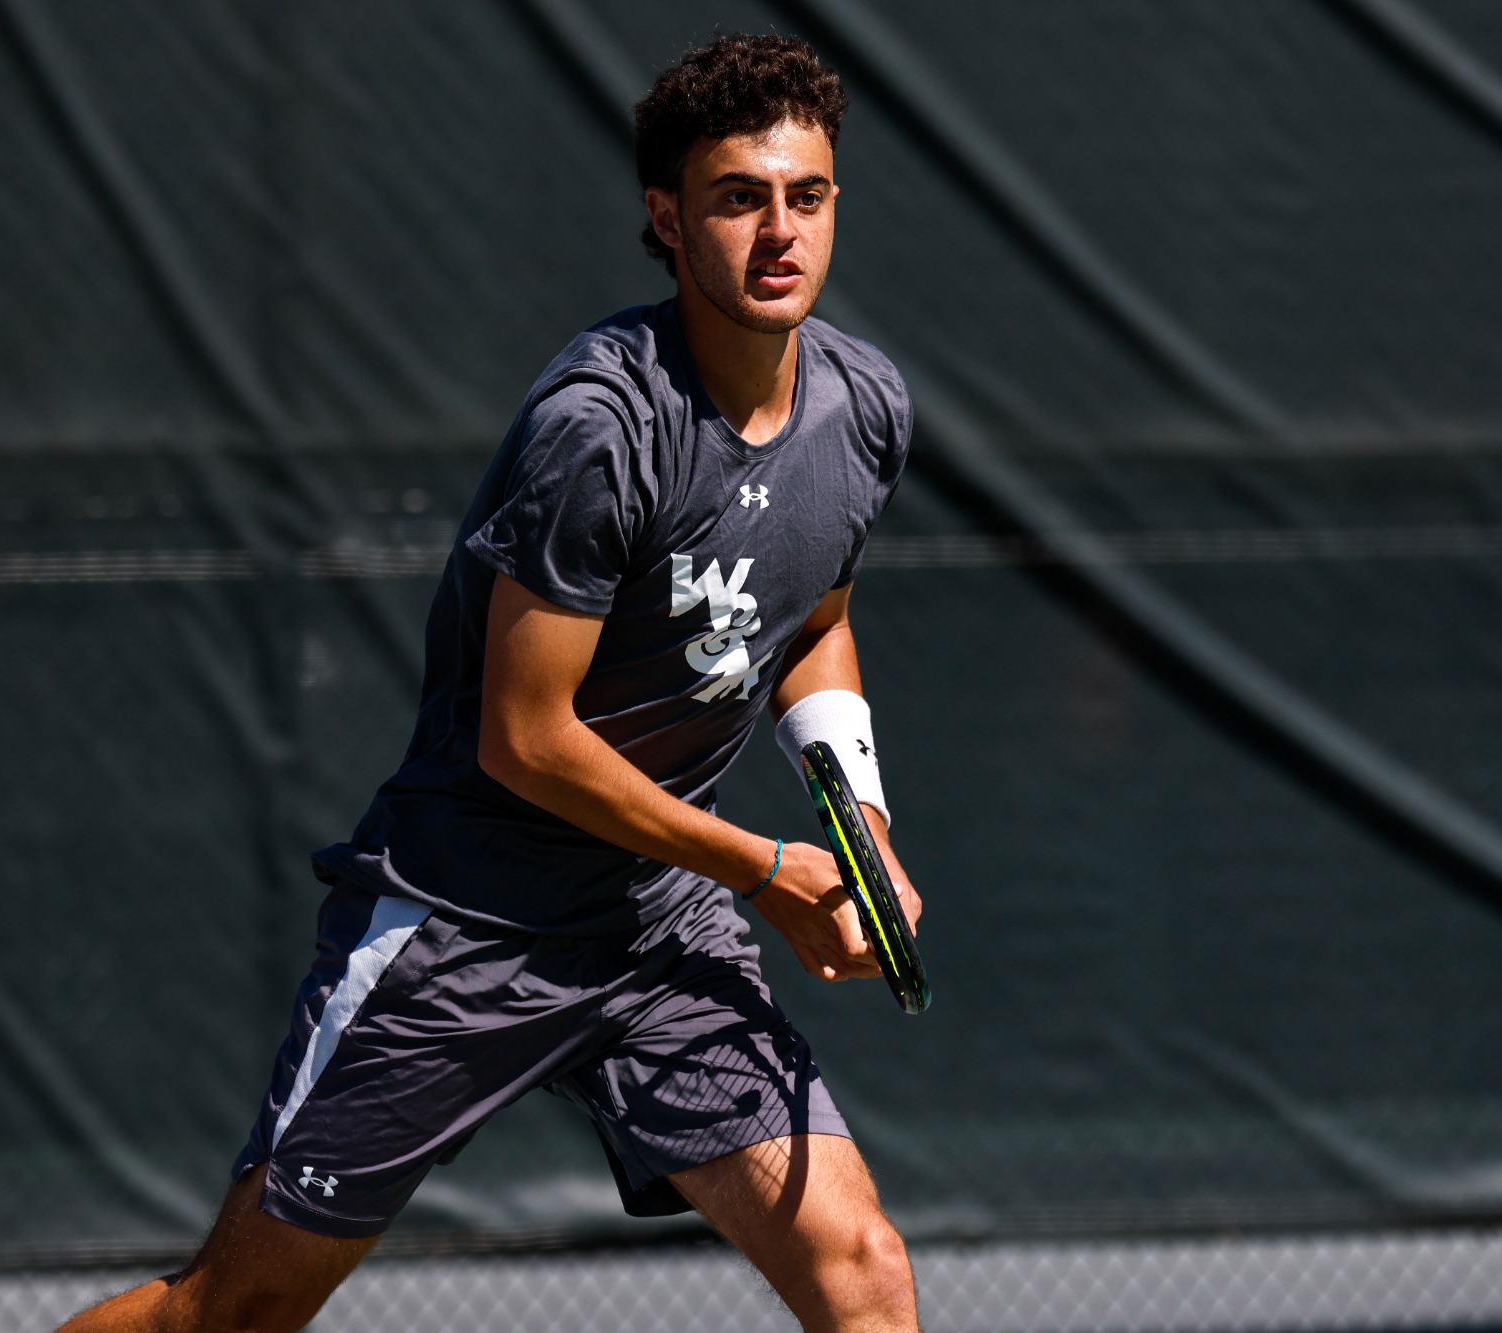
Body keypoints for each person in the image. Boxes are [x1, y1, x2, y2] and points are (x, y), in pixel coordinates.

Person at [63, 33, 922, 1333]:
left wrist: (857, 825)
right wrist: (762, 867)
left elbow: (815, 621)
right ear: (666, 217)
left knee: (861, 1269)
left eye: (806, 196)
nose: (778, 232)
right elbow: (527, 740)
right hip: (463, 923)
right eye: (738, 198)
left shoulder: (861, 408)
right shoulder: (598, 430)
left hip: (657, 925)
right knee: (227, 1314)